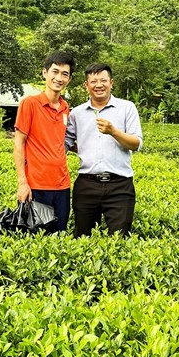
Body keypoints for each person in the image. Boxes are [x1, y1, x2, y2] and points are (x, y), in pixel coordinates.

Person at [65, 62, 142, 237]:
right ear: (86, 85)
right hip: (86, 185)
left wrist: (113, 131)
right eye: (93, 81)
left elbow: (136, 144)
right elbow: (65, 143)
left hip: (120, 185)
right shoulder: (76, 113)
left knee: (120, 240)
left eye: (103, 80)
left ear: (111, 82)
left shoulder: (127, 108)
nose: (98, 85)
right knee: (82, 239)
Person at [13, 51, 75, 232]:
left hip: (62, 185)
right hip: (36, 185)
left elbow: (62, 141)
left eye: (65, 74)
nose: (59, 78)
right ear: (44, 73)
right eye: (54, 72)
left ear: (69, 79)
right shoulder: (30, 103)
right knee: (35, 240)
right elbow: (19, 143)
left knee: (59, 237)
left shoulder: (65, 108)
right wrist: (22, 183)